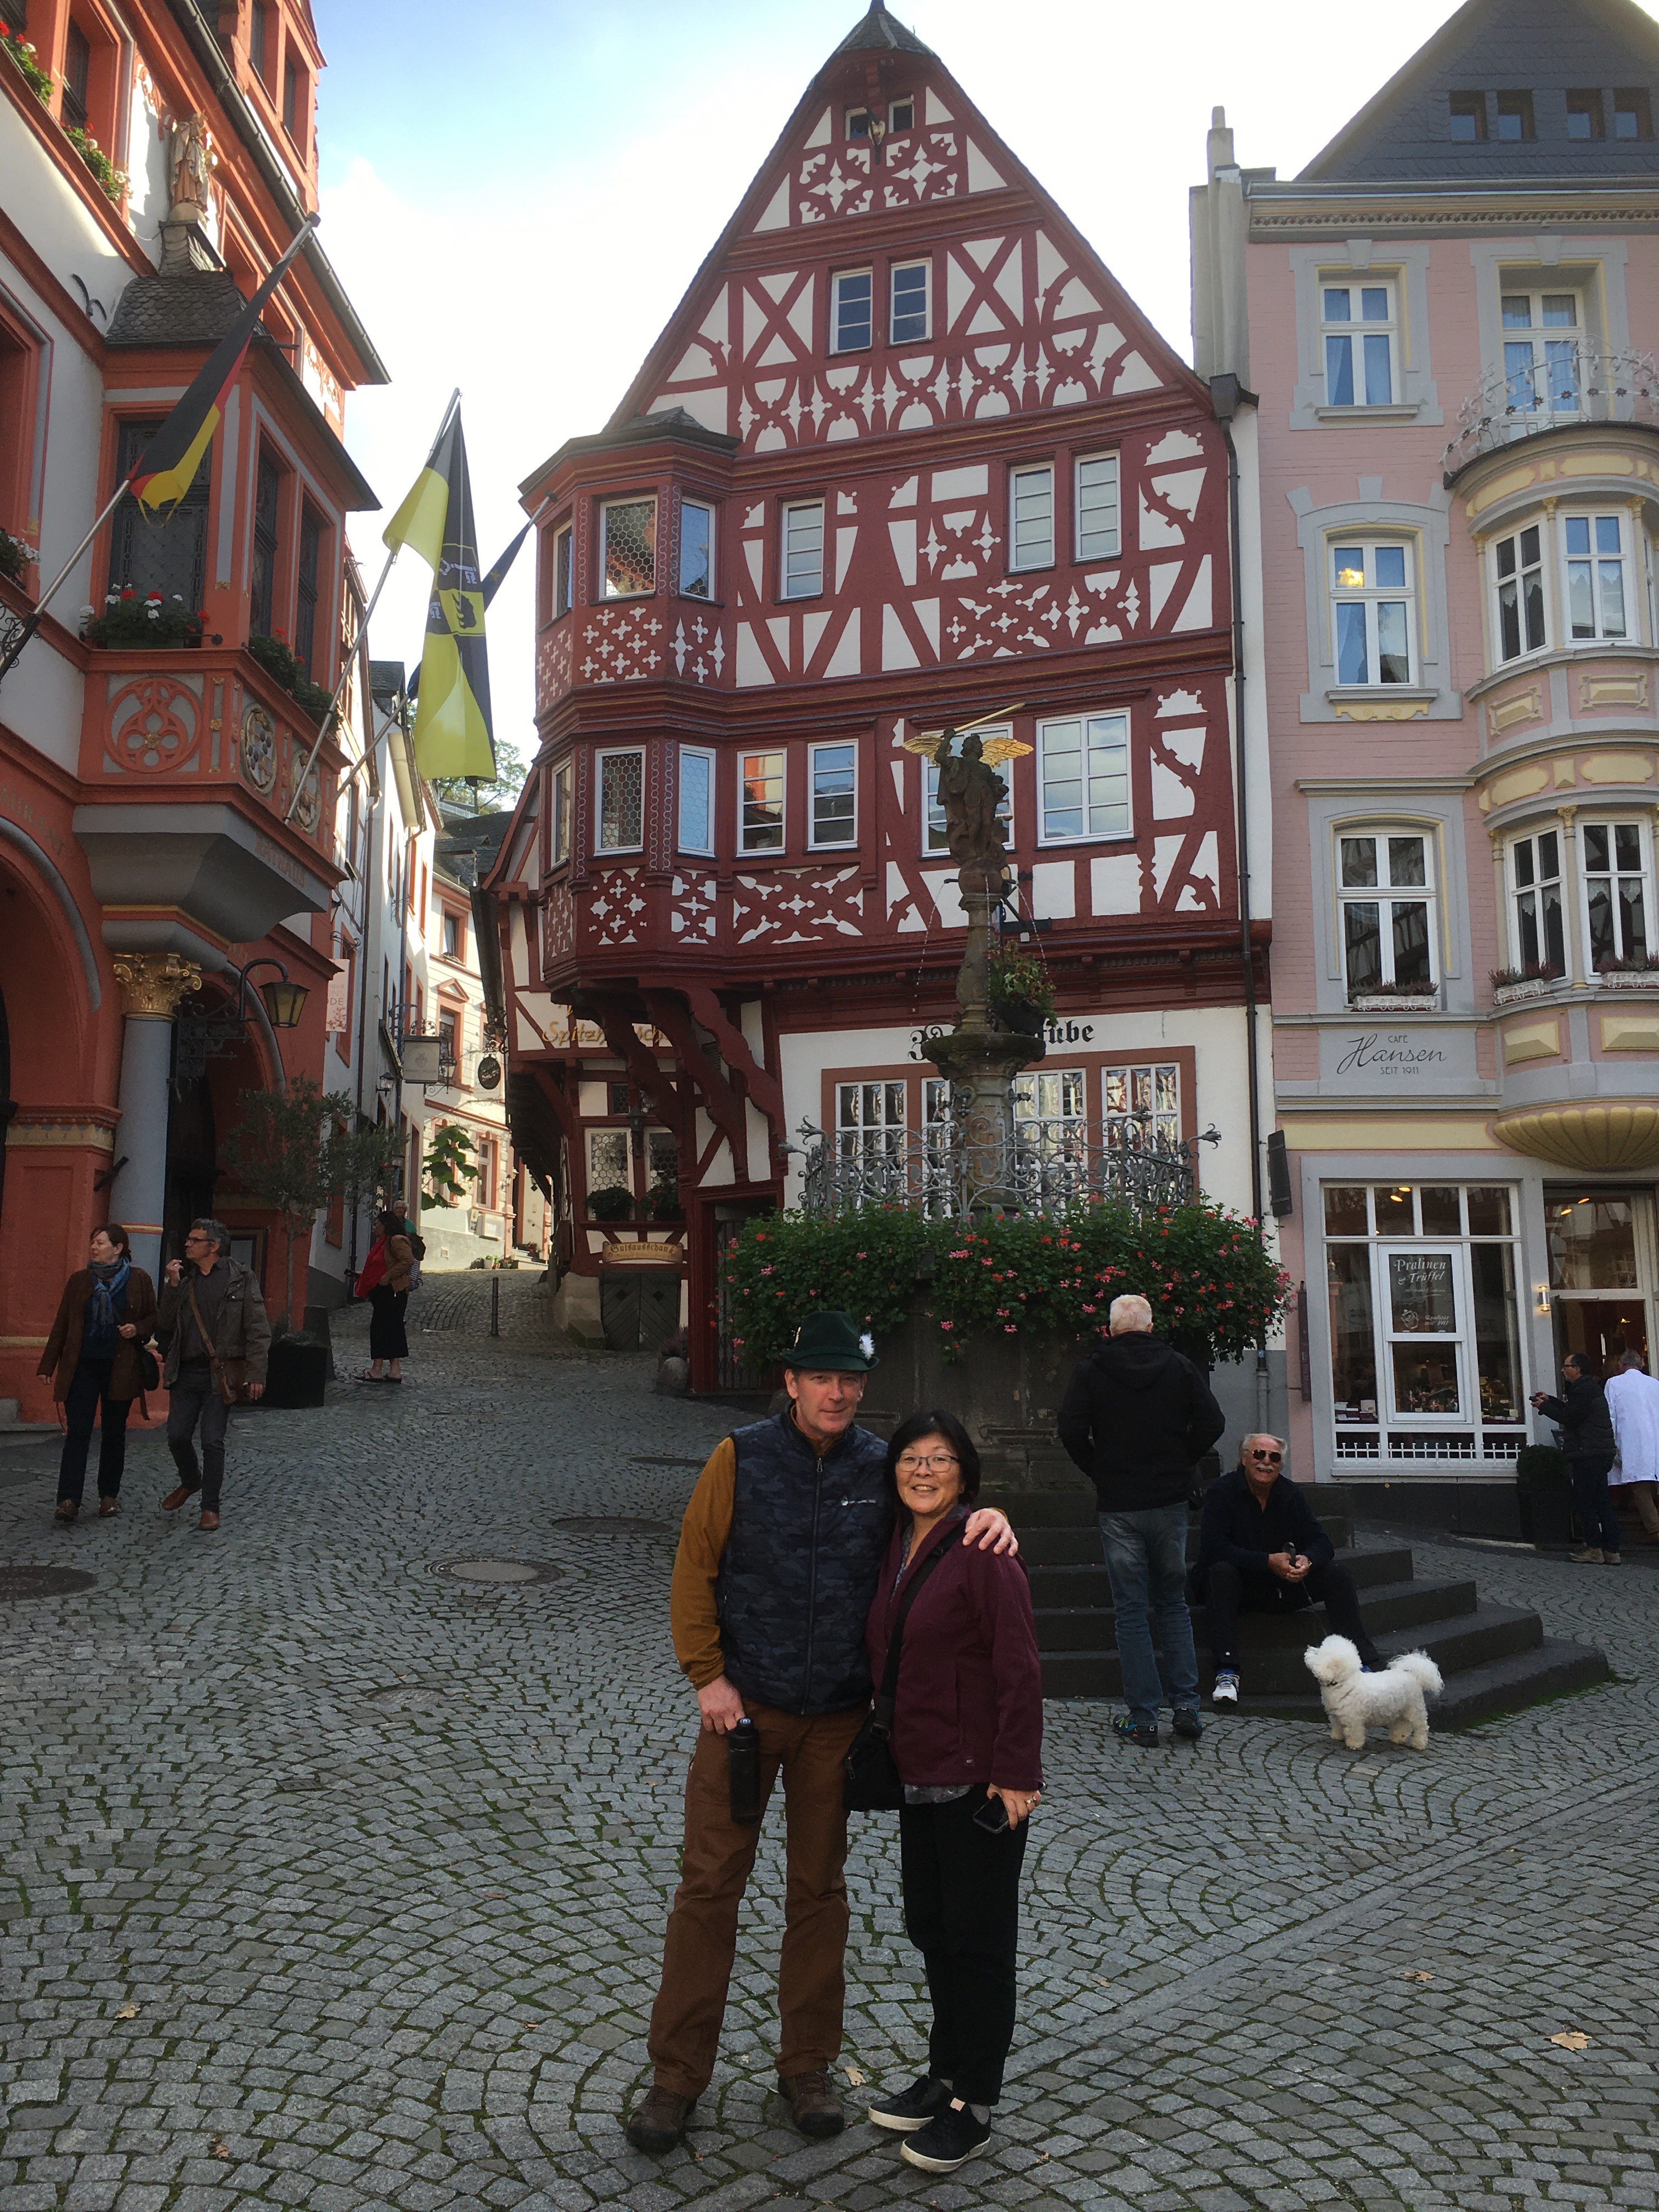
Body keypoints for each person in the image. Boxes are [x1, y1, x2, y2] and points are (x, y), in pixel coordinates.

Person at [624, 1311, 1017, 2158]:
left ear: (861, 1388)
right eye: (820, 1378)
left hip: (837, 1722)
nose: (836, 1393)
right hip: (742, 1713)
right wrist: (707, 1676)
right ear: (792, 1383)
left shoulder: (882, 1466)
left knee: (819, 1894)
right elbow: (694, 1568)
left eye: (849, 1380)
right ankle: (676, 2077)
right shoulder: (738, 1457)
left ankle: (807, 2067)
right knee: (708, 1887)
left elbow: (939, 1517)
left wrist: (991, 1516)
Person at [863, 1412, 1042, 2176]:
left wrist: (1018, 1771)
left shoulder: (983, 1548)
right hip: (918, 1771)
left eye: (940, 1459)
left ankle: (976, 2102)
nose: (924, 1471)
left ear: (965, 1473)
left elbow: (1020, 1666)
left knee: (979, 1940)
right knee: (934, 1926)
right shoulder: (895, 1544)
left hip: (979, 1782)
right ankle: (945, 2073)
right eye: (911, 1458)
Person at [1057, 1292, 1224, 1747]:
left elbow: (1070, 1429)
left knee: (1131, 1610)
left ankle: (1144, 1717)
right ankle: (1186, 1706)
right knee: (1172, 1602)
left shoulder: (1092, 1369)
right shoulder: (1178, 1365)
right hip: (1168, 1499)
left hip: (1119, 1502)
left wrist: (1099, 1468)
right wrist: (1181, 1460)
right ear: (1151, 1328)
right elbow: (1212, 1421)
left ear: (1110, 1330)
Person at [1189, 1434, 1384, 1703]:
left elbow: (1322, 1542)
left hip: (1280, 1586)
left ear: (1281, 1464)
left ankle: (1362, 1663)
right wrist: (1266, 1561)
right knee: (1221, 1572)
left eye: (1274, 1457)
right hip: (1236, 1585)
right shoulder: (1222, 1492)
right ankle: (1227, 1671)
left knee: (1337, 1573)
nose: (1266, 1462)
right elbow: (1214, 1547)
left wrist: (1307, 1560)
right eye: (1259, 1454)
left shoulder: (1290, 1493)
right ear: (1244, 1458)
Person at [38, 1224, 158, 1522]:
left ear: (118, 1248)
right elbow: (62, 1323)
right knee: (78, 1432)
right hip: (82, 1367)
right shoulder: (80, 1281)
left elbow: (153, 1317)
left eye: (101, 1243)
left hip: (121, 1367)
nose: (94, 1247)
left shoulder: (138, 1279)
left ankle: (108, 1496)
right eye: (93, 1242)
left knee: (114, 1433)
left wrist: (137, 1329)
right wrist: (48, 1364)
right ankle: (68, 1500)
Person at [156, 1217, 269, 1532]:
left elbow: (258, 1329)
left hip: (220, 1374)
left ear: (213, 1246)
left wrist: (257, 1373)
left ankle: (210, 1508)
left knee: (212, 1441)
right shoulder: (187, 1282)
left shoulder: (240, 1278)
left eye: (195, 1240)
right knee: (177, 1436)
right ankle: (191, 1481)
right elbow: (164, 1323)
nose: (188, 1244)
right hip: (186, 1372)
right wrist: (172, 1285)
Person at [1532, 1350, 1618, 1564]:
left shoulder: (1583, 1390)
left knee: (1586, 1502)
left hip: (1587, 1453)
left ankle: (1595, 1549)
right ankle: (1611, 1551)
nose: (1563, 1370)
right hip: (1599, 1452)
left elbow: (1569, 1418)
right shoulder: (1588, 1388)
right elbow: (1573, 1411)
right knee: (1602, 1502)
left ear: (1577, 1369)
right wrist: (1551, 1401)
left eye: (1566, 1366)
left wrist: (1544, 1407)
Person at [1604, 1342, 1659, 1547]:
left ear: (1620, 1365)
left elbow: (1610, 1416)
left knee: (1639, 1484)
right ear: (1642, 1364)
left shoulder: (1614, 1384)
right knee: (1650, 1481)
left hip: (1630, 1440)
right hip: (1655, 1439)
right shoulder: (1655, 1384)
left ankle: (1654, 1528)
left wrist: (1611, 1441)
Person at [356, 1209, 415, 1383]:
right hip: (385, 1291)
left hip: (392, 1291)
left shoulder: (395, 1241)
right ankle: (394, 1371)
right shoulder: (384, 1243)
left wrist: (388, 1276)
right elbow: (381, 1265)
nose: (375, 1228)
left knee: (381, 1329)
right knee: (392, 1329)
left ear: (385, 1225)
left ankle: (377, 1369)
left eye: (377, 1224)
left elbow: (407, 1260)